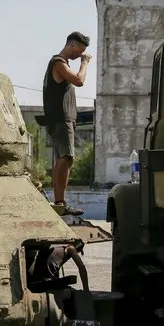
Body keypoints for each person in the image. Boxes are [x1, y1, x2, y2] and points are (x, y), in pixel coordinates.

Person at [42, 31, 92, 216]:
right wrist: (85, 63)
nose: (81, 55)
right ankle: (60, 203)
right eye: (80, 50)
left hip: (62, 119)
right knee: (66, 158)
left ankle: (59, 203)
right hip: (61, 120)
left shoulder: (60, 64)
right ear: (71, 45)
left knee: (64, 159)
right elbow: (79, 80)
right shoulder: (59, 63)